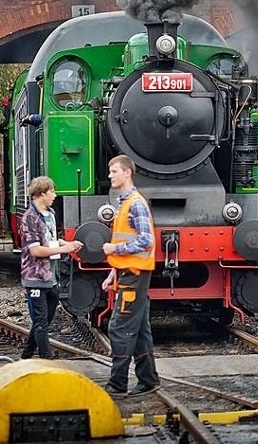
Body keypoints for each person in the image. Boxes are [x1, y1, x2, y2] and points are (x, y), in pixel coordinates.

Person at [100, 155, 161, 398]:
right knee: (139, 328)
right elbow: (126, 239)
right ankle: (148, 380)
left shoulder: (135, 203)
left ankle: (117, 383)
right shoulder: (124, 203)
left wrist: (114, 250)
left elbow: (146, 240)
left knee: (120, 326)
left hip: (135, 275)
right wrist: (112, 272)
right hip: (127, 272)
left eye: (114, 171)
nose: (110, 175)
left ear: (127, 173)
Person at [19, 176, 82, 360]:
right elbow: (36, 250)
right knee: (40, 322)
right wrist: (64, 249)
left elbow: (51, 239)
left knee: (44, 320)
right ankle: (48, 359)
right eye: (52, 191)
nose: (55, 195)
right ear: (42, 194)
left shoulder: (51, 214)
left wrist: (68, 243)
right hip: (36, 277)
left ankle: (25, 356)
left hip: (51, 277)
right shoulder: (29, 218)